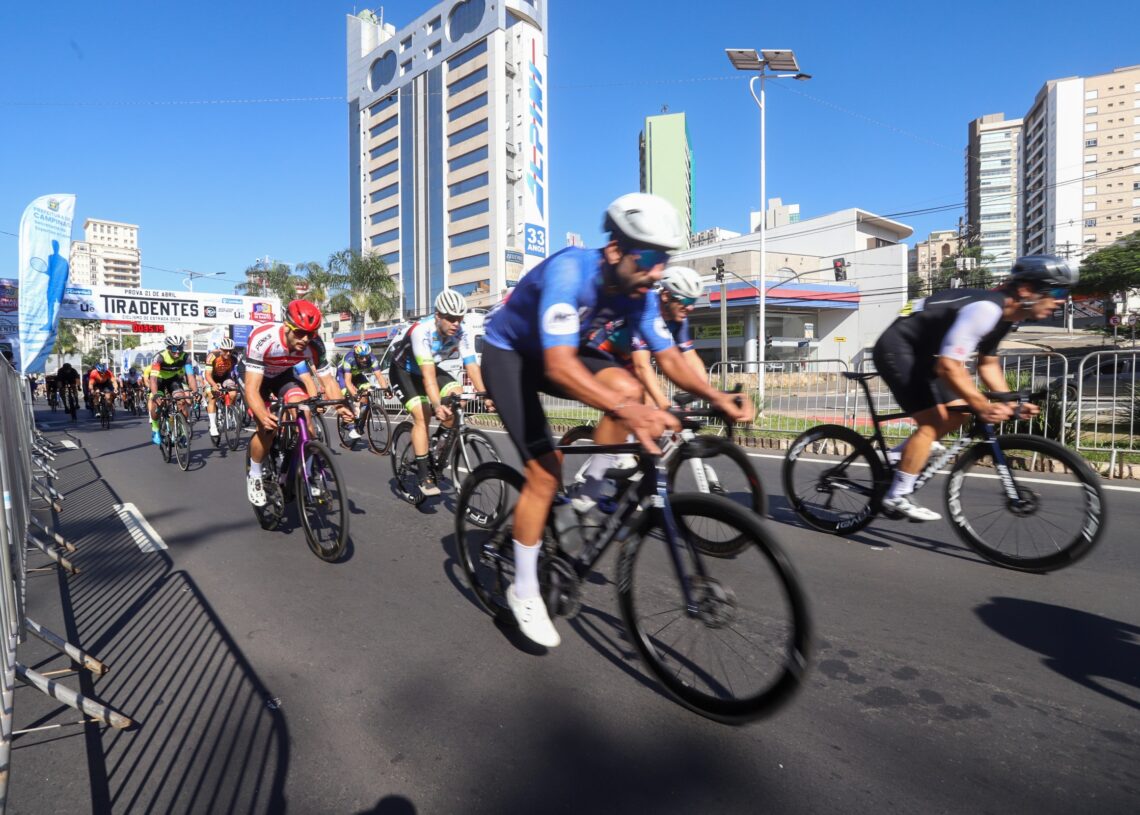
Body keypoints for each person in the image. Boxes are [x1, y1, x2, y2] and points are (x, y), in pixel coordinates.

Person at [480, 193, 753, 647]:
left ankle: (587, 497)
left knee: (627, 387)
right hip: (510, 355)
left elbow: (670, 358)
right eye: (648, 257)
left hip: (558, 353)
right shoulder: (571, 273)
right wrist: (632, 412)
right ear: (614, 251)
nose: (657, 270)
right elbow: (559, 367)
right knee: (546, 472)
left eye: (664, 260)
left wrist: (717, 395)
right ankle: (523, 590)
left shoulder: (640, 292)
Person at [871, 254, 1078, 521]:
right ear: (1026, 289)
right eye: (1057, 291)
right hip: (897, 347)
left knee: (960, 412)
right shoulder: (987, 309)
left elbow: (988, 363)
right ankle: (897, 494)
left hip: (925, 353)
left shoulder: (1006, 316)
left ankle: (897, 456)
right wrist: (983, 404)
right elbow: (949, 366)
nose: (1061, 299)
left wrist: (1008, 401)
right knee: (934, 423)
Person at [243, 300, 353, 507]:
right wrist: (263, 415)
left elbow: (328, 381)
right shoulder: (263, 338)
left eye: (310, 334)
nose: (305, 339)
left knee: (304, 409)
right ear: (287, 326)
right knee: (267, 428)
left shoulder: (315, 345)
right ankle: (255, 474)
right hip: (257, 378)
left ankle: (307, 474)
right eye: (300, 332)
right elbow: (251, 389)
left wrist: (340, 406)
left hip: (283, 375)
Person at [388, 289, 492, 496]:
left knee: (459, 395)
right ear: (438, 316)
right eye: (451, 319)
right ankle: (424, 475)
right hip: (404, 371)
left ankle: (438, 441)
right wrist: (436, 406)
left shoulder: (461, 332)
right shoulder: (421, 331)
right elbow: (427, 377)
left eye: (459, 319)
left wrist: (486, 395)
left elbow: (471, 366)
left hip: (430, 369)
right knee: (423, 415)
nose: (456, 323)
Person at [147, 335, 200, 445]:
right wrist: (156, 395)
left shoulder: (186, 357)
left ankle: (182, 430)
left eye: (180, 349)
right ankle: (155, 429)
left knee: (181, 401)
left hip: (174, 380)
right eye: (174, 349)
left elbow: (190, 376)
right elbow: (153, 378)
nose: (177, 352)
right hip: (159, 380)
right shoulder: (160, 357)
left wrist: (195, 392)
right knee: (156, 404)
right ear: (168, 348)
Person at [338, 341, 388, 441]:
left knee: (366, 393)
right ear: (356, 356)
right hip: (344, 375)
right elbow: (348, 382)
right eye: (361, 357)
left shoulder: (372, 359)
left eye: (366, 356)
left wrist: (386, 389)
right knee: (348, 395)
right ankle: (348, 423)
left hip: (357, 375)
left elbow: (379, 376)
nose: (364, 359)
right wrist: (354, 394)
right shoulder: (349, 358)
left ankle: (359, 423)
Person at [203, 337, 240, 442]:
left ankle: (228, 410)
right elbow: (207, 375)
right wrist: (214, 385)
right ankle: (213, 425)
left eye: (230, 351)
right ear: (220, 349)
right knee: (212, 396)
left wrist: (238, 384)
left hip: (225, 377)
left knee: (233, 392)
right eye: (225, 350)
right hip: (211, 378)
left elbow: (234, 374)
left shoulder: (234, 358)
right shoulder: (212, 356)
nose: (228, 353)